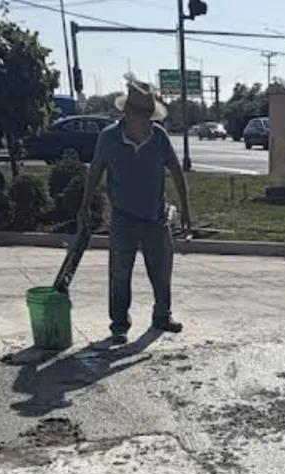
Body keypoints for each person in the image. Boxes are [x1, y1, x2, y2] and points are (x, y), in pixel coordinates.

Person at [81, 78, 193, 342]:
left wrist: (186, 211)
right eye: (139, 114)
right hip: (124, 218)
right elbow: (95, 172)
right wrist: (84, 207)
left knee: (162, 269)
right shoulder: (109, 138)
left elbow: (176, 172)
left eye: (147, 115)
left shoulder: (159, 137)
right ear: (128, 112)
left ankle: (162, 316)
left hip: (155, 216)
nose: (144, 120)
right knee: (120, 273)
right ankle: (119, 325)